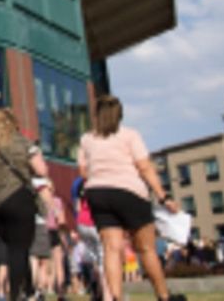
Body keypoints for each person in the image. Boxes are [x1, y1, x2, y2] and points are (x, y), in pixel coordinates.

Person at [78, 94, 185, 301]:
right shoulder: (130, 135)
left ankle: (115, 297)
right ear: (119, 115)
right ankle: (163, 296)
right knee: (146, 249)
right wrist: (164, 197)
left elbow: (83, 172)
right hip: (130, 193)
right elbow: (144, 167)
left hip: (98, 194)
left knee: (111, 249)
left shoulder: (86, 139)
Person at [0, 109, 48, 301]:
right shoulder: (22, 142)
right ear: (14, 124)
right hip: (19, 199)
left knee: (16, 248)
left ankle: (29, 292)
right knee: (19, 249)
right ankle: (15, 295)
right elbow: (42, 169)